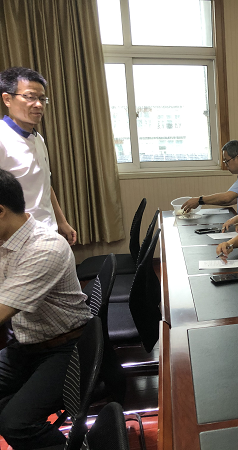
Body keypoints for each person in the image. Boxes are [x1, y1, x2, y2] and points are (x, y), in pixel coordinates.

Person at [0, 168, 92, 448]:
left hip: (66, 347)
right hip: (27, 344)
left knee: (16, 423)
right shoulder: (5, 240)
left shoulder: (44, 248)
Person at [0, 66, 77, 245]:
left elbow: (45, 183)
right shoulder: (2, 139)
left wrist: (61, 221)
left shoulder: (37, 138)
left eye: (42, 98)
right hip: (18, 241)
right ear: (7, 99)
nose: (39, 105)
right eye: (30, 97)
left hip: (47, 231)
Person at [182, 140, 238, 215]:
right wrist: (204, 202)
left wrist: (199, 200)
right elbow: (232, 199)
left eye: (227, 161)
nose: (225, 165)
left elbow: (227, 198)